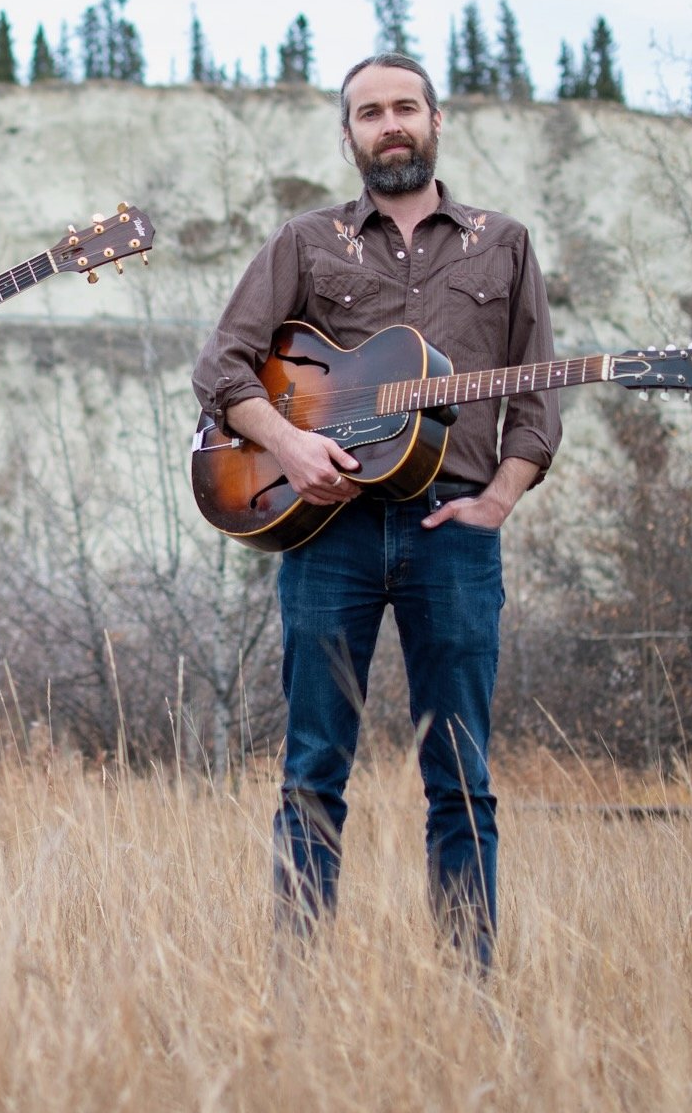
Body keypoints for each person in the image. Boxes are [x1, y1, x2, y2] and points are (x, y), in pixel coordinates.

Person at [192, 52, 560, 967]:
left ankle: (469, 988)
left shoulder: (501, 243)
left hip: (453, 534)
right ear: (348, 134)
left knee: (461, 777)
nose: (388, 124)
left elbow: (537, 404)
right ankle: (299, 991)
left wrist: (499, 500)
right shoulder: (304, 241)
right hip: (328, 533)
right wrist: (288, 445)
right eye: (368, 113)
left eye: (405, 108)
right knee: (313, 769)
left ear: (437, 122)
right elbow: (221, 369)